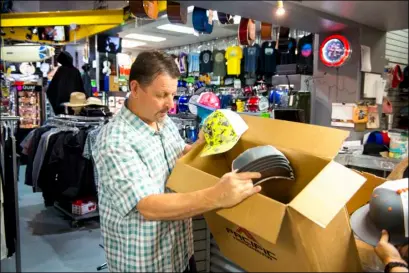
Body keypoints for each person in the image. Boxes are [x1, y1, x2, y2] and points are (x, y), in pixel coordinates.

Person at [93, 51, 262, 272]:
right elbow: (148, 206)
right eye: (162, 94)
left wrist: (202, 145)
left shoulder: (164, 123)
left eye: (172, 95)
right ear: (134, 88)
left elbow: (179, 158)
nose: (170, 104)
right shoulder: (114, 141)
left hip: (179, 251)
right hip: (146, 264)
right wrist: (218, 196)